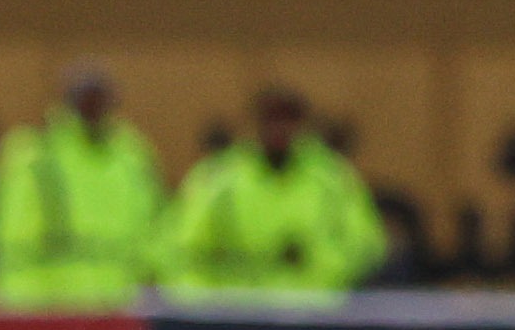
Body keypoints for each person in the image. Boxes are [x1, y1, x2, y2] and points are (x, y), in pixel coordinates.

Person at [153, 86, 384, 304]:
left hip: (312, 315)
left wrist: (319, 275)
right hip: (235, 315)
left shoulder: (333, 179)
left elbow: (365, 247)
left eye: (289, 119)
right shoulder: (219, 179)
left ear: (303, 125)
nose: (280, 128)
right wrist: (203, 306)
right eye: (271, 118)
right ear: (255, 123)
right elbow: (174, 250)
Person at [0, 64, 166, 309]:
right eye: (86, 97)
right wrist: (18, 305)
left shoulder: (131, 156)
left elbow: (155, 230)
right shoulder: (35, 155)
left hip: (120, 306)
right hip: (48, 307)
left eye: (100, 98)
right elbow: (12, 241)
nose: (94, 106)